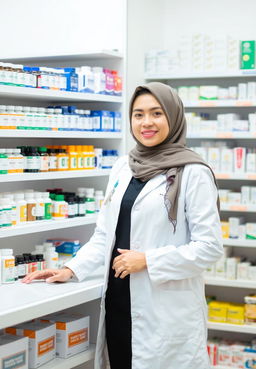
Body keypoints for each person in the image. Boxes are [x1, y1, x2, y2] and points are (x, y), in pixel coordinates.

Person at [22, 82, 223, 369]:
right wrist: (70, 269)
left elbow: (209, 248)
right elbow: (106, 235)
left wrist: (148, 261)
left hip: (164, 311)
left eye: (157, 113)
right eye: (138, 114)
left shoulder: (193, 172)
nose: (146, 122)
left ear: (174, 117)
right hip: (119, 303)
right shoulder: (123, 166)